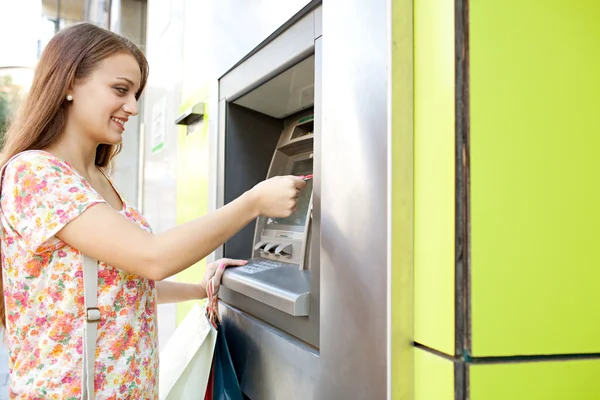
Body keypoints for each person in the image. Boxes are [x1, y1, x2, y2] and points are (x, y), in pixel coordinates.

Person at [0, 22, 306, 399]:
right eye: (120, 90)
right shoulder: (35, 173)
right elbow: (152, 257)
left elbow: (120, 282)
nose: (132, 107)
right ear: (68, 85)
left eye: (136, 94)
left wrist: (201, 289)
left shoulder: (96, 178)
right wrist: (253, 203)